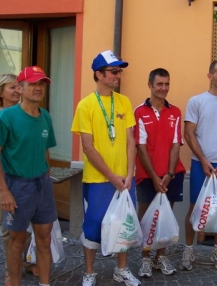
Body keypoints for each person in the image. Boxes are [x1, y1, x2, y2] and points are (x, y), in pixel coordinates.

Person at [71, 50, 141, 286]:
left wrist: (130, 173)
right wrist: (111, 176)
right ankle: (89, 272)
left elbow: (131, 139)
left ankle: (121, 269)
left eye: (119, 71)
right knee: (93, 225)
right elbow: (88, 148)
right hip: (98, 180)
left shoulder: (124, 101)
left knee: (124, 223)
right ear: (98, 74)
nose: (118, 76)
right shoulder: (86, 105)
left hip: (124, 179)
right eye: (113, 71)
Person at [0, 66, 57, 286]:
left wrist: (47, 178)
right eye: (33, 84)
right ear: (21, 87)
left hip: (42, 185)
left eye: (41, 84)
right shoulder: (7, 116)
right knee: (16, 241)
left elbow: (45, 149)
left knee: (44, 237)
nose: (38, 88)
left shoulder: (45, 116)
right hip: (17, 185)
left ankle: (45, 284)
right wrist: (3, 190)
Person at [181, 60, 217, 271]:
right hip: (200, 165)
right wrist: (204, 160)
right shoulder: (197, 101)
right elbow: (189, 133)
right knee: (194, 207)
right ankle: (189, 250)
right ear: (210, 76)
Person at [0, 74, 39, 286]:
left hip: (27, 177)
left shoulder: (26, 115)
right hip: (2, 179)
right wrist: (3, 151)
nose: (17, 90)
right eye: (11, 87)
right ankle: (10, 269)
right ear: (0, 92)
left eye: (18, 87)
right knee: (9, 226)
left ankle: (29, 262)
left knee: (31, 223)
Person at [134, 68, 186, 278]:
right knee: (146, 216)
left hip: (171, 174)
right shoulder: (139, 111)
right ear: (150, 85)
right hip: (147, 176)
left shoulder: (175, 111)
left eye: (167, 84)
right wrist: (155, 177)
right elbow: (141, 147)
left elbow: (176, 144)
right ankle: (145, 258)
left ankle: (159, 258)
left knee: (165, 215)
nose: (164, 88)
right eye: (159, 84)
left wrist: (170, 173)